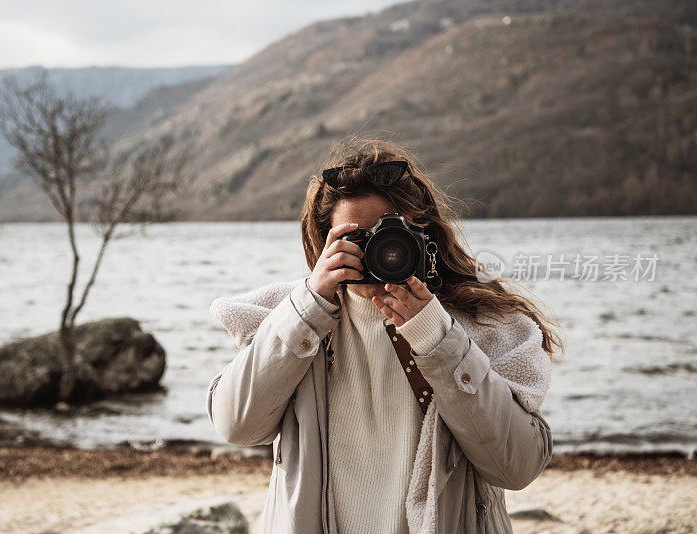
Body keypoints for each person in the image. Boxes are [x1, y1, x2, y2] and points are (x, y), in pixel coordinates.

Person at [207, 137, 563, 533]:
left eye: (392, 235)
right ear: (325, 244)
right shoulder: (290, 318)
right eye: (358, 239)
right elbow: (236, 425)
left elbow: (517, 468)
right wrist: (308, 307)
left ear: (424, 239)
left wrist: (437, 338)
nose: (382, 251)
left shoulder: (484, 325)